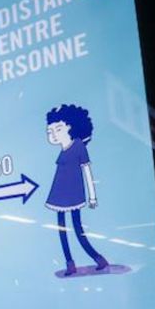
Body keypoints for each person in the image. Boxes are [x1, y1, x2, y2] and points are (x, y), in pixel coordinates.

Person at [44, 104, 109, 275]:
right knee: (61, 230)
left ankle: (98, 258)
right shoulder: (64, 150)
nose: (53, 134)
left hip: (73, 195)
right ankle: (70, 263)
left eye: (58, 129)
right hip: (58, 195)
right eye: (50, 131)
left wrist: (92, 197)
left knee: (77, 228)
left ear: (70, 127)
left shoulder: (78, 146)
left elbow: (87, 171)